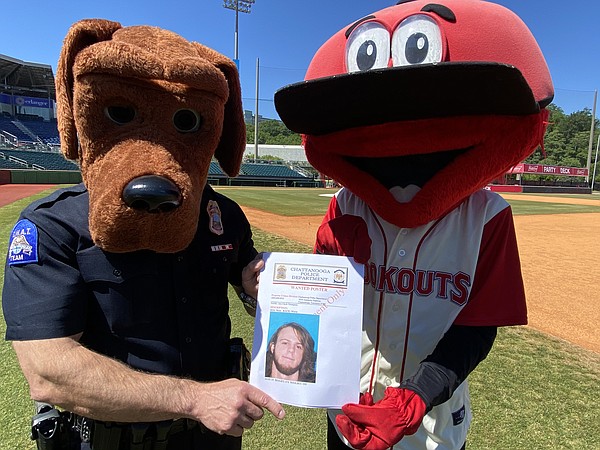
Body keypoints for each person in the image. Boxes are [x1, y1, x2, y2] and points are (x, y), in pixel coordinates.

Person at [2, 183, 283, 449]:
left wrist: (256, 294)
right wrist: (195, 400)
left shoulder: (222, 212)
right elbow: (47, 371)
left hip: (216, 435)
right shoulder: (57, 222)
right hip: (112, 439)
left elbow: (249, 292)